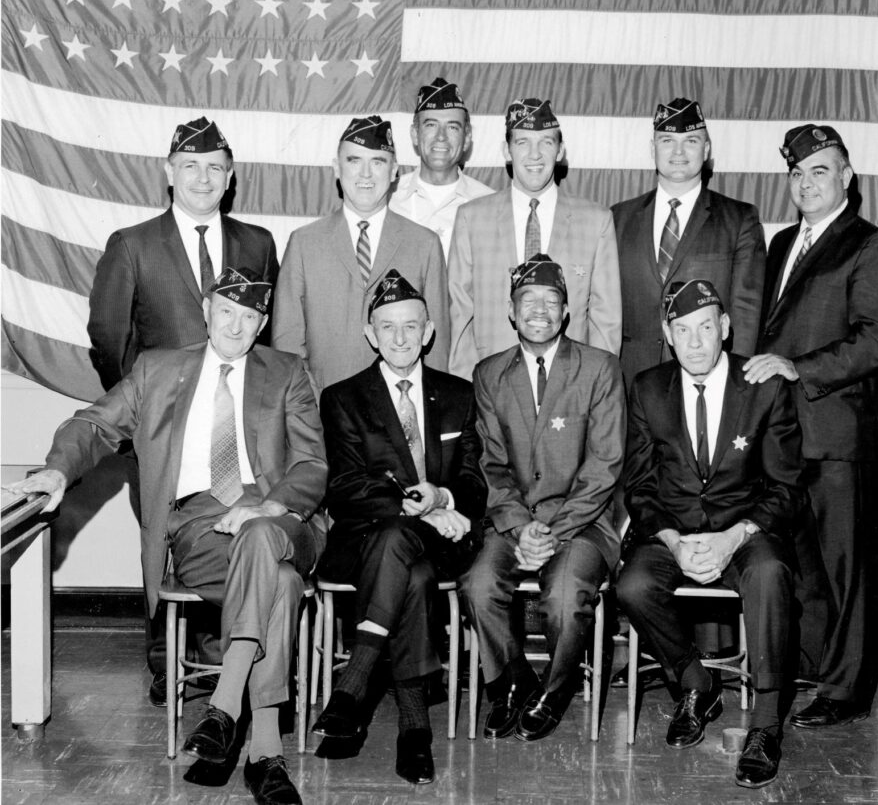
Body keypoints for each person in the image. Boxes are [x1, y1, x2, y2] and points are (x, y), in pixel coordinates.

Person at [6, 269, 327, 804]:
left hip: (283, 516)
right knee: (283, 583)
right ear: (206, 310)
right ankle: (264, 752)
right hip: (202, 525)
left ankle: (224, 708)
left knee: (261, 534)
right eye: (226, 311)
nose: (236, 326)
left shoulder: (287, 372)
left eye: (249, 317)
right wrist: (58, 469)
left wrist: (268, 506)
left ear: (263, 323)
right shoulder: (157, 370)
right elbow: (93, 424)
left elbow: (312, 463)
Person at [87, 116, 279, 706]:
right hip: (165, 434)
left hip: (234, 430)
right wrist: (144, 417)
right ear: (169, 173)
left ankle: (226, 658)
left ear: (231, 177)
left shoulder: (258, 243)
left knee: (233, 533)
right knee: (161, 540)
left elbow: (264, 340)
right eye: (190, 166)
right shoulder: (133, 245)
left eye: (215, 167)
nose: (203, 177)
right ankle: (164, 658)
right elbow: (108, 337)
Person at [745, 124, 878, 728]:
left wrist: (798, 367)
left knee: (846, 570)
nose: (806, 183)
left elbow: (875, 340)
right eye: (797, 172)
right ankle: (816, 670)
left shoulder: (874, 246)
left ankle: (847, 690)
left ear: (846, 177)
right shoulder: (783, 242)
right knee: (805, 567)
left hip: (840, 439)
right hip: (787, 438)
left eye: (820, 170)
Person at [617, 279, 803, 788]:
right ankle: (696, 683)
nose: (695, 342)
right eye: (682, 330)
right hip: (675, 532)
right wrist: (673, 541)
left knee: (769, 575)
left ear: (724, 326)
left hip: (745, 530)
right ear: (667, 335)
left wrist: (734, 537)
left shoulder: (763, 386)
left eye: (705, 327)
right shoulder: (648, 388)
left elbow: (787, 488)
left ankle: (765, 726)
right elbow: (639, 486)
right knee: (633, 585)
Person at [310, 270, 487, 784]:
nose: (401, 338)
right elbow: (345, 487)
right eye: (388, 327)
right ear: (370, 334)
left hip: (443, 540)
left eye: (411, 326)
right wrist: (419, 506)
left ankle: (354, 683)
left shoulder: (459, 395)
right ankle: (415, 729)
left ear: (429, 332)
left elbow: (474, 482)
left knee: (405, 552)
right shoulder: (343, 398)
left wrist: (444, 497)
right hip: (365, 539)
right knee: (410, 571)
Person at [461, 255, 625, 742]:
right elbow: (490, 463)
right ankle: (513, 683)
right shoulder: (489, 373)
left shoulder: (599, 368)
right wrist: (518, 526)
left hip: (582, 521)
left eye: (551, 300)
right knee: (478, 585)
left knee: (564, 596)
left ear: (566, 311)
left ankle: (554, 690)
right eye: (527, 300)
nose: (539, 310)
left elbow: (605, 463)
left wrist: (552, 531)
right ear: (510, 312)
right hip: (513, 522)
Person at [272, 116, 449, 394]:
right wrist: (310, 407)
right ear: (337, 168)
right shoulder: (304, 243)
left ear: (394, 171)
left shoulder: (424, 244)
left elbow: (436, 347)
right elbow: (287, 345)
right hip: (322, 408)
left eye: (377, 162)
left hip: (403, 407)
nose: (365, 174)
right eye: (354, 161)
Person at [447, 98, 621, 380]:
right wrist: (468, 387)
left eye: (546, 142)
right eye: (523, 142)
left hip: (570, 384)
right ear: (507, 150)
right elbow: (460, 314)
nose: (535, 154)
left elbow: (605, 320)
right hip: (492, 382)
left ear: (560, 150)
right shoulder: (471, 218)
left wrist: (597, 387)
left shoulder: (596, 221)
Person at [611, 97, 766, 389]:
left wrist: (737, 388)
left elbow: (746, 313)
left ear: (706, 150)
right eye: (667, 141)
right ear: (652, 148)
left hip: (707, 378)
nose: (678, 152)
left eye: (691, 141)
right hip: (631, 379)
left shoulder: (739, 220)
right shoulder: (618, 218)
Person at [389, 76, 494, 259]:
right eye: (431, 125)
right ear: (415, 134)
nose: (441, 136)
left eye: (452, 127)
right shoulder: (388, 199)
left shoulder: (490, 206)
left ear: (467, 138)